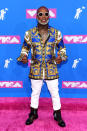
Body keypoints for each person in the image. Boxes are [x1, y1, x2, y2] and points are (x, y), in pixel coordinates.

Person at [17, 6, 67, 127]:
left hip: (52, 68)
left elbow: (62, 49)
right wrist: (23, 56)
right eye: (40, 14)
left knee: (55, 92)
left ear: (49, 16)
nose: (43, 17)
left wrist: (62, 57)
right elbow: (25, 48)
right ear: (36, 16)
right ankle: (33, 113)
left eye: (46, 14)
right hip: (35, 68)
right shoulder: (29, 33)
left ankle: (57, 114)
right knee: (35, 92)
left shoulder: (56, 33)